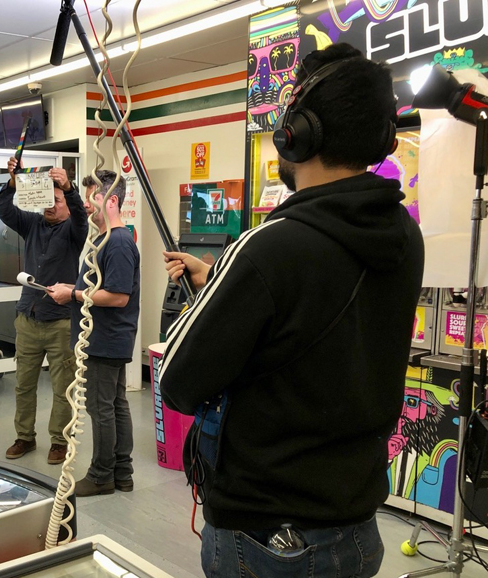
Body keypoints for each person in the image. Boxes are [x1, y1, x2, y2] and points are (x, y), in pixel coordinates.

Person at [160, 43, 424, 577]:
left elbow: (176, 380)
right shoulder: (403, 235)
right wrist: (220, 281)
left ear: (296, 134)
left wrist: (223, 289)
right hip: (356, 529)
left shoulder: (268, 247)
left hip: (267, 540)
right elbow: (317, 309)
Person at [48, 170, 139, 496]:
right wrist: (73, 287)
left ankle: (101, 476)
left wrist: (72, 294)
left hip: (104, 338)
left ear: (111, 200)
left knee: (101, 409)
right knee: (114, 404)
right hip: (106, 337)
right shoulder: (103, 239)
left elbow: (118, 296)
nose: (86, 205)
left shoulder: (118, 242)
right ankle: (122, 473)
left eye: (92, 198)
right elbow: (100, 286)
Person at [0, 157, 87, 464]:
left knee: (63, 388)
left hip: (61, 322)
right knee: (23, 384)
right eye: (48, 199)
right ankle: (24, 437)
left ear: (67, 206)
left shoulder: (74, 230)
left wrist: (69, 188)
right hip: (28, 318)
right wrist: (13, 181)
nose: (51, 205)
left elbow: (80, 215)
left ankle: (59, 441)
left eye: (58, 200)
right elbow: (4, 210)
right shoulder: (33, 225)